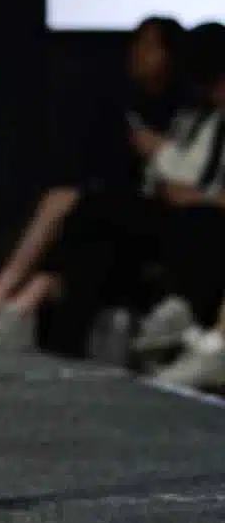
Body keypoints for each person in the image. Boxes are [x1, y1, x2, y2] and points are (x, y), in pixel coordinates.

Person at [0, 15, 184, 347]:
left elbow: (188, 174)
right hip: (114, 215)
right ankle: (5, 303)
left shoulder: (184, 112)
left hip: (167, 216)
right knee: (66, 220)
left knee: (68, 205)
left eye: (150, 46)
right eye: (137, 43)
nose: (138, 53)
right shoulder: (123, 108)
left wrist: (158, 149)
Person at [36, 21, 225, 364]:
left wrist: (169, 165)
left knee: (193, 222)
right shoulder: (191, 116)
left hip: (197, 218)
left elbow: (194, 178)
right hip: (168, 206)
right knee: (94, 230)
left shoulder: (196, 117)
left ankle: (192, 325)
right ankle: (63, 344)